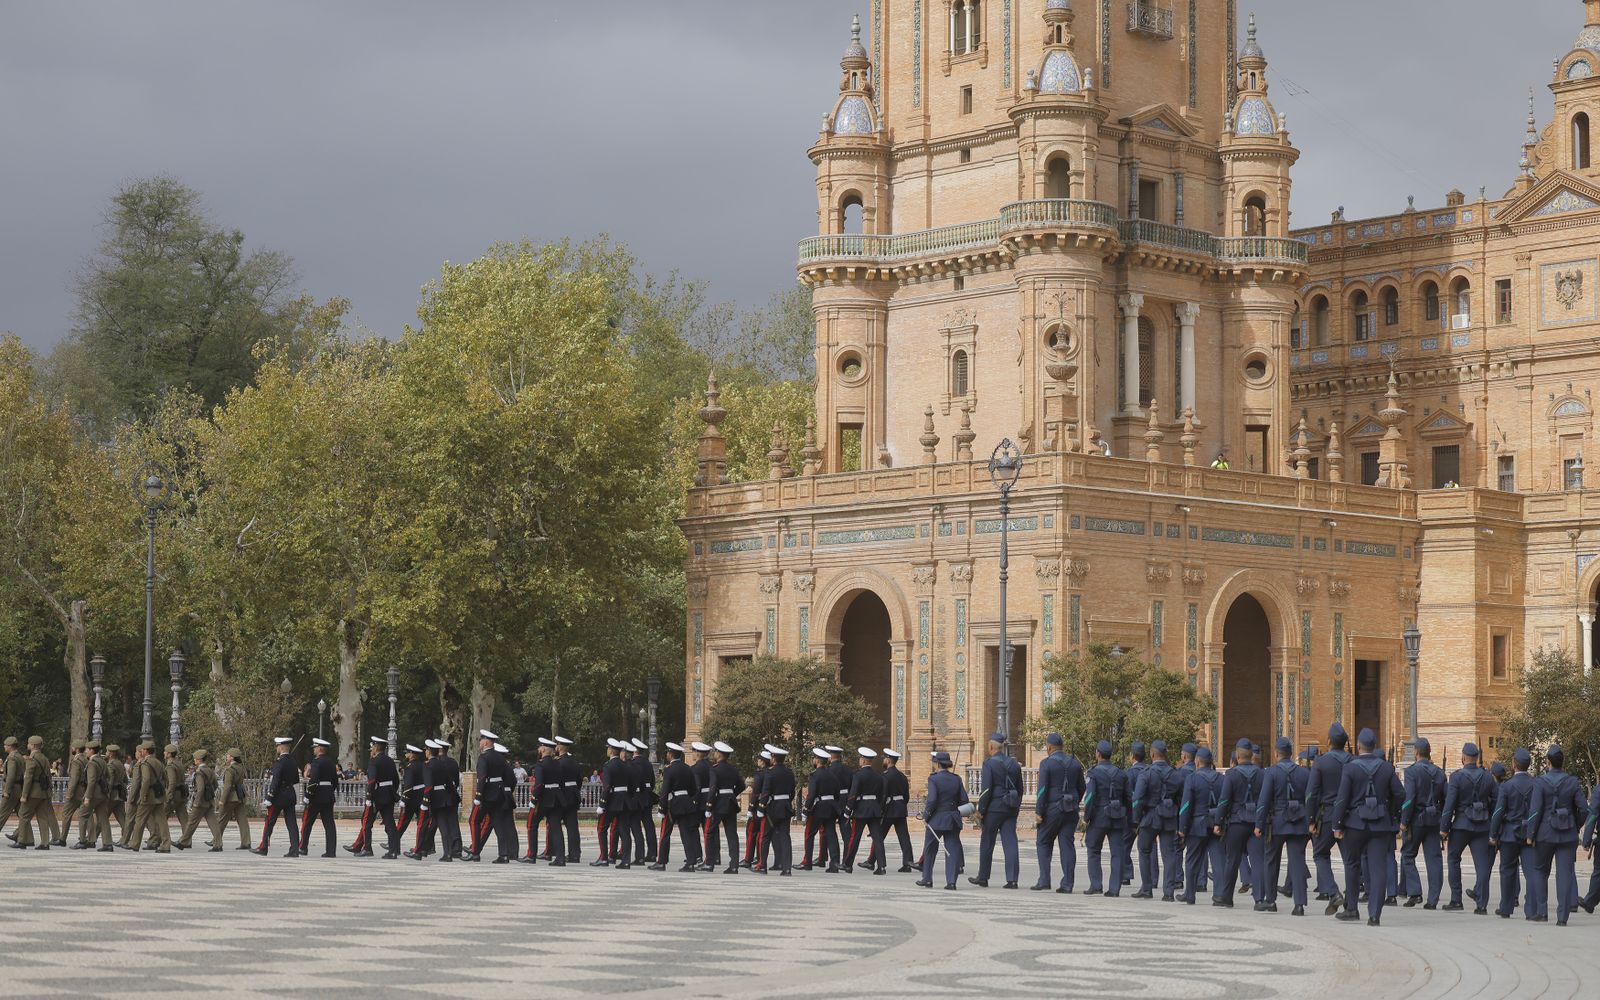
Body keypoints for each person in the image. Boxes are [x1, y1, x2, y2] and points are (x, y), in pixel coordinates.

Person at [1330, 728, 1404, 926]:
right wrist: (1393, 814)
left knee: (1352, 864)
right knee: (1378, 868)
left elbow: (1342, 798)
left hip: (1354, 823)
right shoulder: (1386, 767)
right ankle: (1374, 915)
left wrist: (1337, 824)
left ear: (1359, 745)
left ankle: (1352, 908)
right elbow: (1400, 795)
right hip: (1380, 824)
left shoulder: (1351, 767)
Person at [1526, 744, 1588, 925]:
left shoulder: (1540, 782)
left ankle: (1542, 912)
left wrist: (1531, 833)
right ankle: (1562, 917)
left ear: (1548, 762)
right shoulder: (1573, 782)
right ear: (1563, 762)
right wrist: (1575, 825)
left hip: (1545, 834)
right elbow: (1584, 809)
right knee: (1564, 873)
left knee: (1539, 870)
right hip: (1567, 834)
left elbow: (1535, 811)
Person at [1255, 736, 1312, 915]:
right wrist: (1310, 820)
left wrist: (1259, 823)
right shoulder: (1304, 772)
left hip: (1277, 822)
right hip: (1299, 820)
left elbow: (1263, 801)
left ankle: (1270, 901)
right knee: (1297, 861)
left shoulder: (1271, 772)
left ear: (1276, 753)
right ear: (1291, 753)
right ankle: (1299, 904)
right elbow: (1310, 798)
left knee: (1271, 861)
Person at [1440, 741, 1497, 914]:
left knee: (1453, 859)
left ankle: (1456, 899)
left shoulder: (1456, 777)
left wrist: (1444, 827)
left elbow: (1449, 804)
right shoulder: (1488, 777)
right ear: (1478, 757)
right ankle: (1482, 904)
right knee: (1482, 865)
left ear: (1463, 757)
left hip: (1462, 824)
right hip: (1482, 826)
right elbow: (1496, 803)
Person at [1031, 732, 1084, 893]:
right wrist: (1074, 801)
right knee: (1067, 844)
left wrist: (1039, 812)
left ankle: (1044, 880)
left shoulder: (1046, 763)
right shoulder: (1075, 763)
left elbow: (1042, 790)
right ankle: (1068, 883)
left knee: (1043, 842)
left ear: (1049, 747)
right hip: (1071, 809)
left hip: (1052, 809)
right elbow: (1082, 787)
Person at [1306, 724, 1352, 904]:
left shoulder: (1321, 762)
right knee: (1350, 860)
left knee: (1320, 854)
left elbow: (1311, 794)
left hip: (1326, 815)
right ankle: (1351, 900)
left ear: (1329, 741)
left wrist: (1311, 819)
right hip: (1349, 816)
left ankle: (1333, 892)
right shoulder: (1352, 761)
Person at [1398, 737, 1445, 909]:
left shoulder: (1412, 772)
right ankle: (1433, 900)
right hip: (1434, 820)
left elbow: (1409, 799)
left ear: (1416, 752)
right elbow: (1444, 799)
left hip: (1416, 820)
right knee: (1434, 859)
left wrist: (1404, 821)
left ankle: (1415, 892)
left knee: (1408, 855)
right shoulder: (1439, 772)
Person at [971, 733, 1022, 889]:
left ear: (991, 746)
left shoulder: (989, 764)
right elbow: (1020, 789)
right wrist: (1016, 806)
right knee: (1010, 842)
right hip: (1010, 807)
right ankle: (1012, 880)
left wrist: (981, 810)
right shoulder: (1014, 764)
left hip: (994, 808)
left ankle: (983, 877)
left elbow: (986, 790)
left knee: (987, 842)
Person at [1490, 746, 1535, 919]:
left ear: (1514, 764)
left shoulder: (1507, 786)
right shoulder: (1535, 783)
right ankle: (1531, 909)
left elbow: (1498, 812)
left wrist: (1493, 834)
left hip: (1509, 833)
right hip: (1529, 832)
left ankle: (1506, 907)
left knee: (1507, 870)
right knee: (1531, 871)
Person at [1132, 739, 1179, 900]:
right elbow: (1180, 799)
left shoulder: (1146, 773)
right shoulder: (1175, 774)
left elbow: (1137, 799)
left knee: (1144, 850)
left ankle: (1147, 888)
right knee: (1169, 854)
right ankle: (1168, 892)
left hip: (1150, 817)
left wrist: (1136, 819)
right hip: (1169, 817)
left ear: (1152, 754)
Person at [917, 751, 969, 890]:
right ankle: (951, 881)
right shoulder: (956, 778)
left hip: (936, 818)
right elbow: (964, 800)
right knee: (952, 849)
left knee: (930, 849)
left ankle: (927, 879)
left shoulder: (933, 779)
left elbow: (932, 800)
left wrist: (926, 816)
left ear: (938, 763)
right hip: (952, 818)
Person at [1083, 740, 1129, 897]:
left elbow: (1089, 797)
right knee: (1117, 853)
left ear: (1098, 754)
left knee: (1094, 850)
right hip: (1117, 817)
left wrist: (1086, 817)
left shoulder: (1093, 773)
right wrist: (1128, 817)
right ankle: (1114, 889)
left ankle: (1096, 885)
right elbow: (1128, 798)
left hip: (1099, 816)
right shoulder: (1121, 773)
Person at [1179, 746, 1223, 905]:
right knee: (1218, 859)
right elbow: (1224, 803)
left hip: (1197, 824)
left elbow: (1186, 806)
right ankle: (1219, 895)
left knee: (1192, 859)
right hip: (1215, 823)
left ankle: (1190, 894)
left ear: (1197, 762)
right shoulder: (1221, 778)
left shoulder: (1192, 778)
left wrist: (1182, 828)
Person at [349, 736, 401, 859]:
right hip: (388, 794)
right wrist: (391, 791)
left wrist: (369, 796)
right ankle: (393, 850)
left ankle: (367, 848)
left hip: (377, 795)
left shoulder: (374, 761)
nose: (371, 749)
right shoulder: (390, 761)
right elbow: (396, 780)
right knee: (390, 823)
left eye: (373, 746)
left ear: (376, 747)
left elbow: (371, 781)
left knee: (366, 822)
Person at [657, 741, 703, 871]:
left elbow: (664, 790)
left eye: (667, 752)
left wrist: (662, 807)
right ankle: (691, 861)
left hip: (673, 804)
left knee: (665, 833)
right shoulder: (687, 768)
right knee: (686, 834)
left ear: (671, 754)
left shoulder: (669, 770)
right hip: (686, 803)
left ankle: (661, 862)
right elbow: (693, 790)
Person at [254, 736, 300, 857]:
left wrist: (269, 797)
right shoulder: (293, 761)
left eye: (277, 746)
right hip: (290, 794)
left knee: (269, 821)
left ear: (281, 747)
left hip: (279, 796)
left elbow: (275, 781)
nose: (276, 748)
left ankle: (263, 847)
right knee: (292, 823)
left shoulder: (279, 762)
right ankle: (294, 849)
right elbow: (296, 779)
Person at [844, 746, 886, 875]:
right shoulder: (879, 776)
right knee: (877, 839)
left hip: (861, 809)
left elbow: (853, 795)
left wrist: (848, 810)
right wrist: (879, 808)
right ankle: (882, 866)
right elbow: (882, 795)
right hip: (874, 810)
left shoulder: (858, 775)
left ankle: (848, 864)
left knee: (855, 837)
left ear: (863, 760)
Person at [122, 742, 170, 853]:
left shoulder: (145, 763)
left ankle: (134, 843)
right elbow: (165, 778)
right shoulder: (159, 762)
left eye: (142, 750)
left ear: (146, 751)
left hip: (148, 796)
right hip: (158, 795)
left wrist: (143, 795)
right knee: (162, 822)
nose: (141, 751)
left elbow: (146, 780)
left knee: (140, 820)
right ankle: (166, 845)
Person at [13, 735, 60, 850]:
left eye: (29, 743)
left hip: (33, 792)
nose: (27, 745)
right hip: (44, 792)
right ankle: (45, 842)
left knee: (23, 815)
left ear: (33, 746)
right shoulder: (44, 758)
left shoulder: (31, 759)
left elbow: (28, 778)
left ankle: (22, 841)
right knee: (42, 817)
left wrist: (24, 795)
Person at [297, 738, 338, 858]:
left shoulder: (316, 762)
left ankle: (303, 847)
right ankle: (331, 851)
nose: (314, 750)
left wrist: (307, 796)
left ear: (320, 749)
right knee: (329, 824)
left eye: (315, 747)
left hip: (316, 797)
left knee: (307, 822)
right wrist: (329, 791)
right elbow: (335, 782)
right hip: (328, 796)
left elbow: (313, 781)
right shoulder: (331, 763)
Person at [801, 747, 840, 871]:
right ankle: (834, 863)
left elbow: (811, 794)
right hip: (831, 807)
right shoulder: (832, 775)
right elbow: (837, 794)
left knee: (809, 834)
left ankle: (807, 863)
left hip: (818, 808)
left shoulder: (815, 775)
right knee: (831, 834)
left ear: (817, 760)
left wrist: (806, 809)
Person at [707, 741, 742, 873]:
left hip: (719, 803)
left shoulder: (715, 769)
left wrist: (709, 805)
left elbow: (713, 788)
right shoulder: (733, 769)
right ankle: (734, 865)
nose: (714, 754)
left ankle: (710, 863)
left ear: (720, 754)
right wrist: (732, 794)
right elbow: (741, 785)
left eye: (716, 752)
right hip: (731, 803)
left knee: (710, 832)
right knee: (732, 834)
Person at [596, 738, 631, 867]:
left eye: (608, 748)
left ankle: (604, 858)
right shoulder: (625, 765)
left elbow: (606, 787)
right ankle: (626, 861)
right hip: (624, 800)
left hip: (612, 801)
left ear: (611, 751)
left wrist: (602, 804)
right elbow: (631, 786)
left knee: (601, 829)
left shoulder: (608, 766)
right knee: (624, 831)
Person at [175, 750, 219, 850]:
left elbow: (200, 789)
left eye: (195, 759)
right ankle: (218, 843)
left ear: (199, 760)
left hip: (201, 802)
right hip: (209, 800)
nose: (194, 761)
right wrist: (210, 794)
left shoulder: (199, 772)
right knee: (213, 823)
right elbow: (215, 785)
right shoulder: (209, 770)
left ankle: (183, 842)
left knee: (191, 822)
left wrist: (196, 802)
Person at [761, 747, 796, 875]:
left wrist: (761, 806)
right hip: (785, 806)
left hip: (773, 808)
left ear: (774, 758)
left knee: (766, 836)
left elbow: (766, 792)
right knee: (785, 836)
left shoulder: (770, 772)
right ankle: (787, 868)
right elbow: (792, 791)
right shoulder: (789, 772)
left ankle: (762, 866)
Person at [428, 738, 464, 861]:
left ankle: (427, 846)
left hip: (439, 795)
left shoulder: (437, 763)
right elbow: (457, 782)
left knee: (435, 823)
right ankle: (457, 848)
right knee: (453, 823)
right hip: (452, 795)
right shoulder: (453, 762)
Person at [880, 749, 914, 872]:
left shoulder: (885, 776)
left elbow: (883, 795)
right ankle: (908, 863)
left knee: (879, 836)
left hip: (889, 810)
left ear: (888, 760)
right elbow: (907, 796)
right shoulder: (902, 776)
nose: (883, 760)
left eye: (884, 758)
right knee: (904, 837)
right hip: (900, 809)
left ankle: (872, 860)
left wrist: (881, 809)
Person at [521, 739, 553, 864]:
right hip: (553, 799)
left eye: (540, 747)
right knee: (553, 826)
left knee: (531, 825)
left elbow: (539, 785)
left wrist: (534, 799)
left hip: (541, 800)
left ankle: (531, 855)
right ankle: (550, 853)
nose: (538, 750)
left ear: (543, 749)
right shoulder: (556, 763)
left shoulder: (540, 765)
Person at [630, 738, 657, 864]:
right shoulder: (648, 763)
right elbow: (652, 782)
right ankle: (652, 854)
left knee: (636, 826)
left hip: (637, 796)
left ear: (634, 751)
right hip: (647, 796)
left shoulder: (633, 764)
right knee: (649, 826)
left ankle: (639, 856)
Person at [56, 740, 86, 847]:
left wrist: (69, 793)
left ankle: (62, 838)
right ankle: (90, 839)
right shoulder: (85, 759)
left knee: (66, 814)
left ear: (76, 749)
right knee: (87, 815)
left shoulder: (76, 761)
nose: (71, 749)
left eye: (73, 747)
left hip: (76, 792)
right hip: (84, 790)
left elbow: (74, 779)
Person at [742, 751, 768, 869]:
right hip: (767, 807)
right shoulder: (769, 772)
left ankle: (748, 859)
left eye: (759, 759)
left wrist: (751, 807)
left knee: (751, 833)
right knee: (760, 834)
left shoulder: (759, 774)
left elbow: (756, 793)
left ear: (762, 761)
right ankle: (758, 857)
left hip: (757, 807)